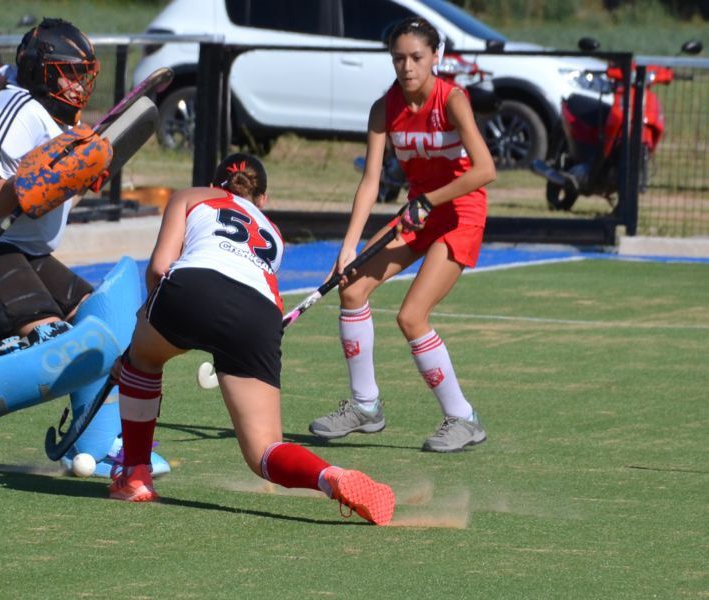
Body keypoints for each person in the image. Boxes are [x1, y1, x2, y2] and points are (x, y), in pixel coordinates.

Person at [0, 18, 167, 478]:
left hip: (23, 249)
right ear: (43, 72)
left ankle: (98, 441)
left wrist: (74, 179)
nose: (79, 84)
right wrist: (37, 182)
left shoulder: (64, 119)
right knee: (53, 345)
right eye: (69, 72)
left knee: (111, 325)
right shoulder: (17, 106)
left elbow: (55, 194)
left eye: (84, 73)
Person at [106, 152, 395, 525]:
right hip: (259, 314)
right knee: (264, 449)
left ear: (213, 185)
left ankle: (135, 476)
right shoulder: (274, 233)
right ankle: (332, 476)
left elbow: (161, 268)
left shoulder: (190, 196)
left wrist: (145, 326)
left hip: (192, 286)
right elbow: (252, 289)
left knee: (143, 362)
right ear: (263, 200)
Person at [307, 17, 496, 452]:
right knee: (351, 288)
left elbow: (485, 170)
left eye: (416, 57)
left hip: (460, 214)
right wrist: (349, 245)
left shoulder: (453, 101)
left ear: (435, 57)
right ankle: (365, 407)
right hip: (419, 213)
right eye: (398, 58)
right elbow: (370, 181)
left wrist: (429, 200)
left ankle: (463, 419)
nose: (407, 66)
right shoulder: (384, 109)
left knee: (411, 317)